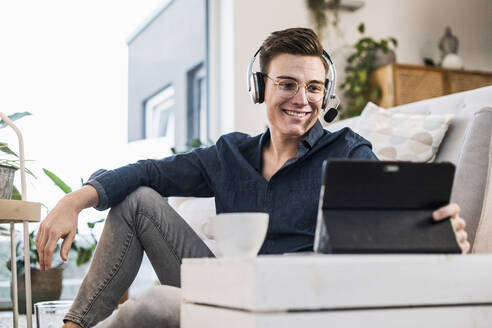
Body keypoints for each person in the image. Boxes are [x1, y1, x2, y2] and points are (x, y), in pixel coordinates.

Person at [36, 27, 469, 328]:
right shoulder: (230, 154)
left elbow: (388, 216)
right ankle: (76, 324)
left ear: (325, 93)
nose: (303, 99)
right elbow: (150, 171)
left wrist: (433, 236)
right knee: (137, 199)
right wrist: (75, 200)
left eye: (314, 88)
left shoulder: (349, 151)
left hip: (295, 301)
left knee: (148, 309)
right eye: (287, 84)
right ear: (260, 87)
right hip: (227, 286)